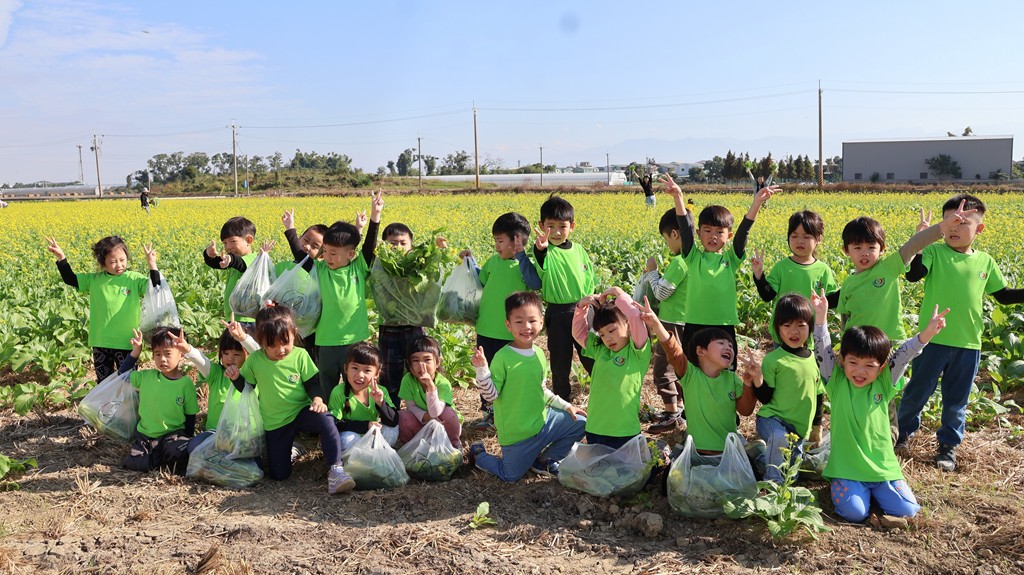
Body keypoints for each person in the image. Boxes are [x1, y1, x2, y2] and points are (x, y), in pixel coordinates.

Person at [897, 195, 1024, 471]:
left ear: (980, 229)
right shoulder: (934, 252)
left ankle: (948, 447)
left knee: (957, 401)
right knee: (917, 392)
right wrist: (920, 242)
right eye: (949, 222)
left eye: (963, 222)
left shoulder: (985, 262)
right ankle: (902, 435)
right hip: (931, 340)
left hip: (968, 343)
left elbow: (1003, 296)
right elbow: (913, 275)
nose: (954, 227)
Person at [811, 290, 948, 523]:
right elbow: (822, 350)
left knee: (908, 510)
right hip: (847, 468)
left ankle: (874, 494)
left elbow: (903, 356)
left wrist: (926, 335)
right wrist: (821, 318)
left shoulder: (884, 384)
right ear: (842, 360)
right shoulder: (836, 381)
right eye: (853, 362)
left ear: (882, 367)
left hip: (882, 467)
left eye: (869, 365)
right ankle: (859, 494)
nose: (860, 371)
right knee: (854, 513)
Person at [224, 305, 353, 494]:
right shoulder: (255, 360)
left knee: (326, 419)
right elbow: (246, 388)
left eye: (285, 342)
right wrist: (236, 378)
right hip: (275, 422)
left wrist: (317, 399)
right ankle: (294, 449)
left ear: (294, 333)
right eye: (272, 345)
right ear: (261, 341)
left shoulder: (300, 355)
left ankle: (336, 470)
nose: (281, 350)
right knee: (280, 475)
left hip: (302, 411)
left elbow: (312, 383)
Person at [468, 291, 587, 481]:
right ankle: (478, 455)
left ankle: (544, 461)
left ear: (541, 322)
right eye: (519, 321)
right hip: (518, 435)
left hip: (543, 422)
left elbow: (541, 390)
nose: (526, 327)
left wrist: (566, 406)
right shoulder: (503, 357)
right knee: (511, 476)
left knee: (580, 422)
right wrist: (482, 369)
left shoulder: (539, 353)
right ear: (508, 325)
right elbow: (491, 396)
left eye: (532, 320)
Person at [662, 173, 775, 370]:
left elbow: (744, 231)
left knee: (726, 370)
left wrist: (757, 202)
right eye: (707, 230)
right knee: (693, 372)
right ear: (699, 233)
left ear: (728, 236)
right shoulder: (693, 257)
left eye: (719, 232)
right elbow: (685, 228)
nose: (713, 236)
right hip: (695, 324)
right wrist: (678, 197)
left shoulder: (731, 259)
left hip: (724, 325)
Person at [636, 299, 759, 455]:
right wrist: (655, 323)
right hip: (697, 452)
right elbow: (674, 351)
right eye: (721, 343)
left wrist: (749, 384)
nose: (728, 347)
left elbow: (746, 411)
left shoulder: (732, 378)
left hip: (728, 453)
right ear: (700, 351)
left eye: (730, 345)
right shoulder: (690, 375)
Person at [458, 212, 541, 429]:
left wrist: (522, 256)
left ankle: (508, 412)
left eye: (500, 241)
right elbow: (479, 278)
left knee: (509, 374)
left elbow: (535, 283)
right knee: (486, 372)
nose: (496, 246)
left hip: (512, 334)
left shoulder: (525, 266)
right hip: (486, 329)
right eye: (495, 241)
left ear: (516, 241)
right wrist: (469, 262)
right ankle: (489, 413)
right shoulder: (493, 262)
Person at [46, 235, 161, 383]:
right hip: (100, 342)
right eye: (112, 262)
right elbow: (70, 279)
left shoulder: (134, 279)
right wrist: (61, 257)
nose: (119, 265)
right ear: (103, 262)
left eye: (122, 260)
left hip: (128, 342)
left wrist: (152, 264)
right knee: (103, 383)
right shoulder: (94, 280)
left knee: (128, 383)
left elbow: (156, 287)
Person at [310, 191, 383, 400]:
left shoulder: (358, 268)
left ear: (350, 254)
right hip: (326, 340)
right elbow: (299, 256)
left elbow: (369, 246)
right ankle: (327, 417)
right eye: (325, 251)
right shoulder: (320, 270)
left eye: (333, 253)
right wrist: (290, 229)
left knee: (356, 386)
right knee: (326, 384)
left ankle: (356, 415)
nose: (327, 257)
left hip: (355, 339)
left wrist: (375, 216)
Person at [751, 294, 824, 483]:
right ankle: (772, 485)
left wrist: (817, 426)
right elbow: (765, 398)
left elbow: (818, 394)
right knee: (779, 438)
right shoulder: (773, 360)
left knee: (791, 475)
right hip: (773, 420)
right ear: (778, 328)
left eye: (801, 325)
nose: (794, 331)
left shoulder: (815, 359)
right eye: (787, 325)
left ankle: (757, 458)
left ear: (810, 327)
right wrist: (758, 379)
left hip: (799, 428)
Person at [374, 219, 448, 403]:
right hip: (390, 326)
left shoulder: (418, 265)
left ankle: (423, 408)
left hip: (414, 325)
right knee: (389, 374)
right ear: (384, 246)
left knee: (419, 370)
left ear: (411, 246)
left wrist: (438, 251)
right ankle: (391, 411)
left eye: (403, 243)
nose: (398, 247)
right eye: (392, 243)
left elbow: (432, 280)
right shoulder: (381, 264)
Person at [533, 194, 597, 401]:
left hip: (583, 310)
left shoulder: (579, 250)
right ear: (542, 226)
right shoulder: (545, 250)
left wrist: (592, 302)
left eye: (563, 226)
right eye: (550, 226)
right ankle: (562, 399)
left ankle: (603, 389)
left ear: (572, 226)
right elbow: (541, 260)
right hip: (558, 312)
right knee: (560, 360)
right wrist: (540, 249)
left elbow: (589, 277)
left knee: (590, 354)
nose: (557, 232)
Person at [572, 287, 650, 449]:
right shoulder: (601, 350)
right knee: (600, 465)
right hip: (595, 428)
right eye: (602, 334)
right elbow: (579, 334)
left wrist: (618, 292)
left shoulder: (637, 352)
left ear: (628, 325)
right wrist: (581, 307)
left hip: (624, 431)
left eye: (612, 330)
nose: (607, 338)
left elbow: (635, 316)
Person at [750, 210, 839, 347]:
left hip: (810, 336)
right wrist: (759, 275)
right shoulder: (781, 267)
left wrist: (850, 285)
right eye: (794, 236)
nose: (800, 241)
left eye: (806, 236)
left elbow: (830, 301)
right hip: (783, 334)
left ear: (818, 239)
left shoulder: (823, 270)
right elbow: (767, 295)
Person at [637, 206, 690, 434]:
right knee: (680, 367)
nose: (667, 244)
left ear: (675, 234)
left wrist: (652, 272)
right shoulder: (694, 259)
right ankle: (679, 408)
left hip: (672, 322)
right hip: (687, 320)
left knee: (663, 368)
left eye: (666, 238)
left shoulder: (680, 262)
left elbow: (662, 293)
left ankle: (671, 414)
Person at [118, 327, 199, 474]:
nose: (162, 359)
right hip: (145, 435)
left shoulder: (185, 384)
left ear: (181, 355)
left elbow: (190, 415)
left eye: (168, 354)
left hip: (172, 435)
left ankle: (162, 456)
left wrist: (187, 439)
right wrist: (136, 351)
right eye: (157, 354)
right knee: (137, 464)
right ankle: (155, 457)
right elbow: (122, 374)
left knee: (179, 455)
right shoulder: (146, 377)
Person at [176, 323, 260, 451]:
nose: (230, 358)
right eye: (225, 353)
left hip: (245, 435)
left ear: (248, 355)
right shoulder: (216, 374)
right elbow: (202, 361)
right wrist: (188, 349)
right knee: (194, 446)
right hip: (216, 433)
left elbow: (259, 355)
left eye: (236, 354)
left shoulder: (255, 373)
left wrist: (243, 338)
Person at [329, 342, 400, 455]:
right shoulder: (339, 392)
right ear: (346, 368)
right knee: (348, 439)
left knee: (392, 430)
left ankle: (378, 455)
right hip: (353, 438)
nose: (360, 375)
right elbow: (335, 424)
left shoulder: (380, 391)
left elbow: (393, 421)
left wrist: (381, 403)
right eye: (355, 368)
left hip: (373, 437)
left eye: (367, 370)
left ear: (377, 374)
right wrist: (365, 426)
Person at [397, 336, 462, 448]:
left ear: (437, 362)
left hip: (443, 424)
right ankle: (412, 446)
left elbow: (436, 412)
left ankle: (454, 444)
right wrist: (427, 417)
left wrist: (430, 387)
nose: (421, 365)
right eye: (415, 360)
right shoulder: (408, 380)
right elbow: (411, 406)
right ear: (409, 365)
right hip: (422, 422)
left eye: (427, 360)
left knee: (448, 414)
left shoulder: (443, 383)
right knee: (402, 416)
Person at [202, 216, 259, 322]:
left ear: (249, 240)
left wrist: (231, 260)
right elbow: (218, 263)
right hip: (234, 318)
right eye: (225, 243)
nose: (228, 247)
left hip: (247, 319)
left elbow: (239, 263)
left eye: (233, 241)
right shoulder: (233, 260)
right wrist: (208, 255)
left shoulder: (254, 260)